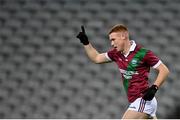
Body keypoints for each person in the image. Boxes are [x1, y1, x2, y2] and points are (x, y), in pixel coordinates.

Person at [76, 24, 170, 119]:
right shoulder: (116, 54)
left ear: (123, 36)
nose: (112, 44)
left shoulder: (143, 53)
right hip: (135, 101)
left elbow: (164, 70)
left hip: (143, 100)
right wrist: (86, 43)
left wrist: (154, 88)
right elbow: (96, 58)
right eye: (111, 40)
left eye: (113, 39)